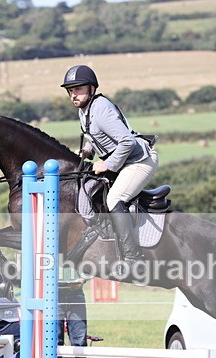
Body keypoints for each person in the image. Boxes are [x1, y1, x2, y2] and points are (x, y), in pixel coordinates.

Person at [61, 65, 159, 271]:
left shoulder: (101, 107)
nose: (73, 95)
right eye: (70, 90)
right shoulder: (84, 110)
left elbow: (127, 142)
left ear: (92, 88)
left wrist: (107, 164)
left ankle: (134, 259)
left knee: (114, 199)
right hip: (123, 162)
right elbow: (95, 137)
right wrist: (87, 151)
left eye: (78, 89)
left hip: (139, 160)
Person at [58, 267, 88, 347]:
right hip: (52, 294)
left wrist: (84, 278)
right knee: (54, 338)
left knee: (80, 339)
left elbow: (92, 265)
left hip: (76, 293)